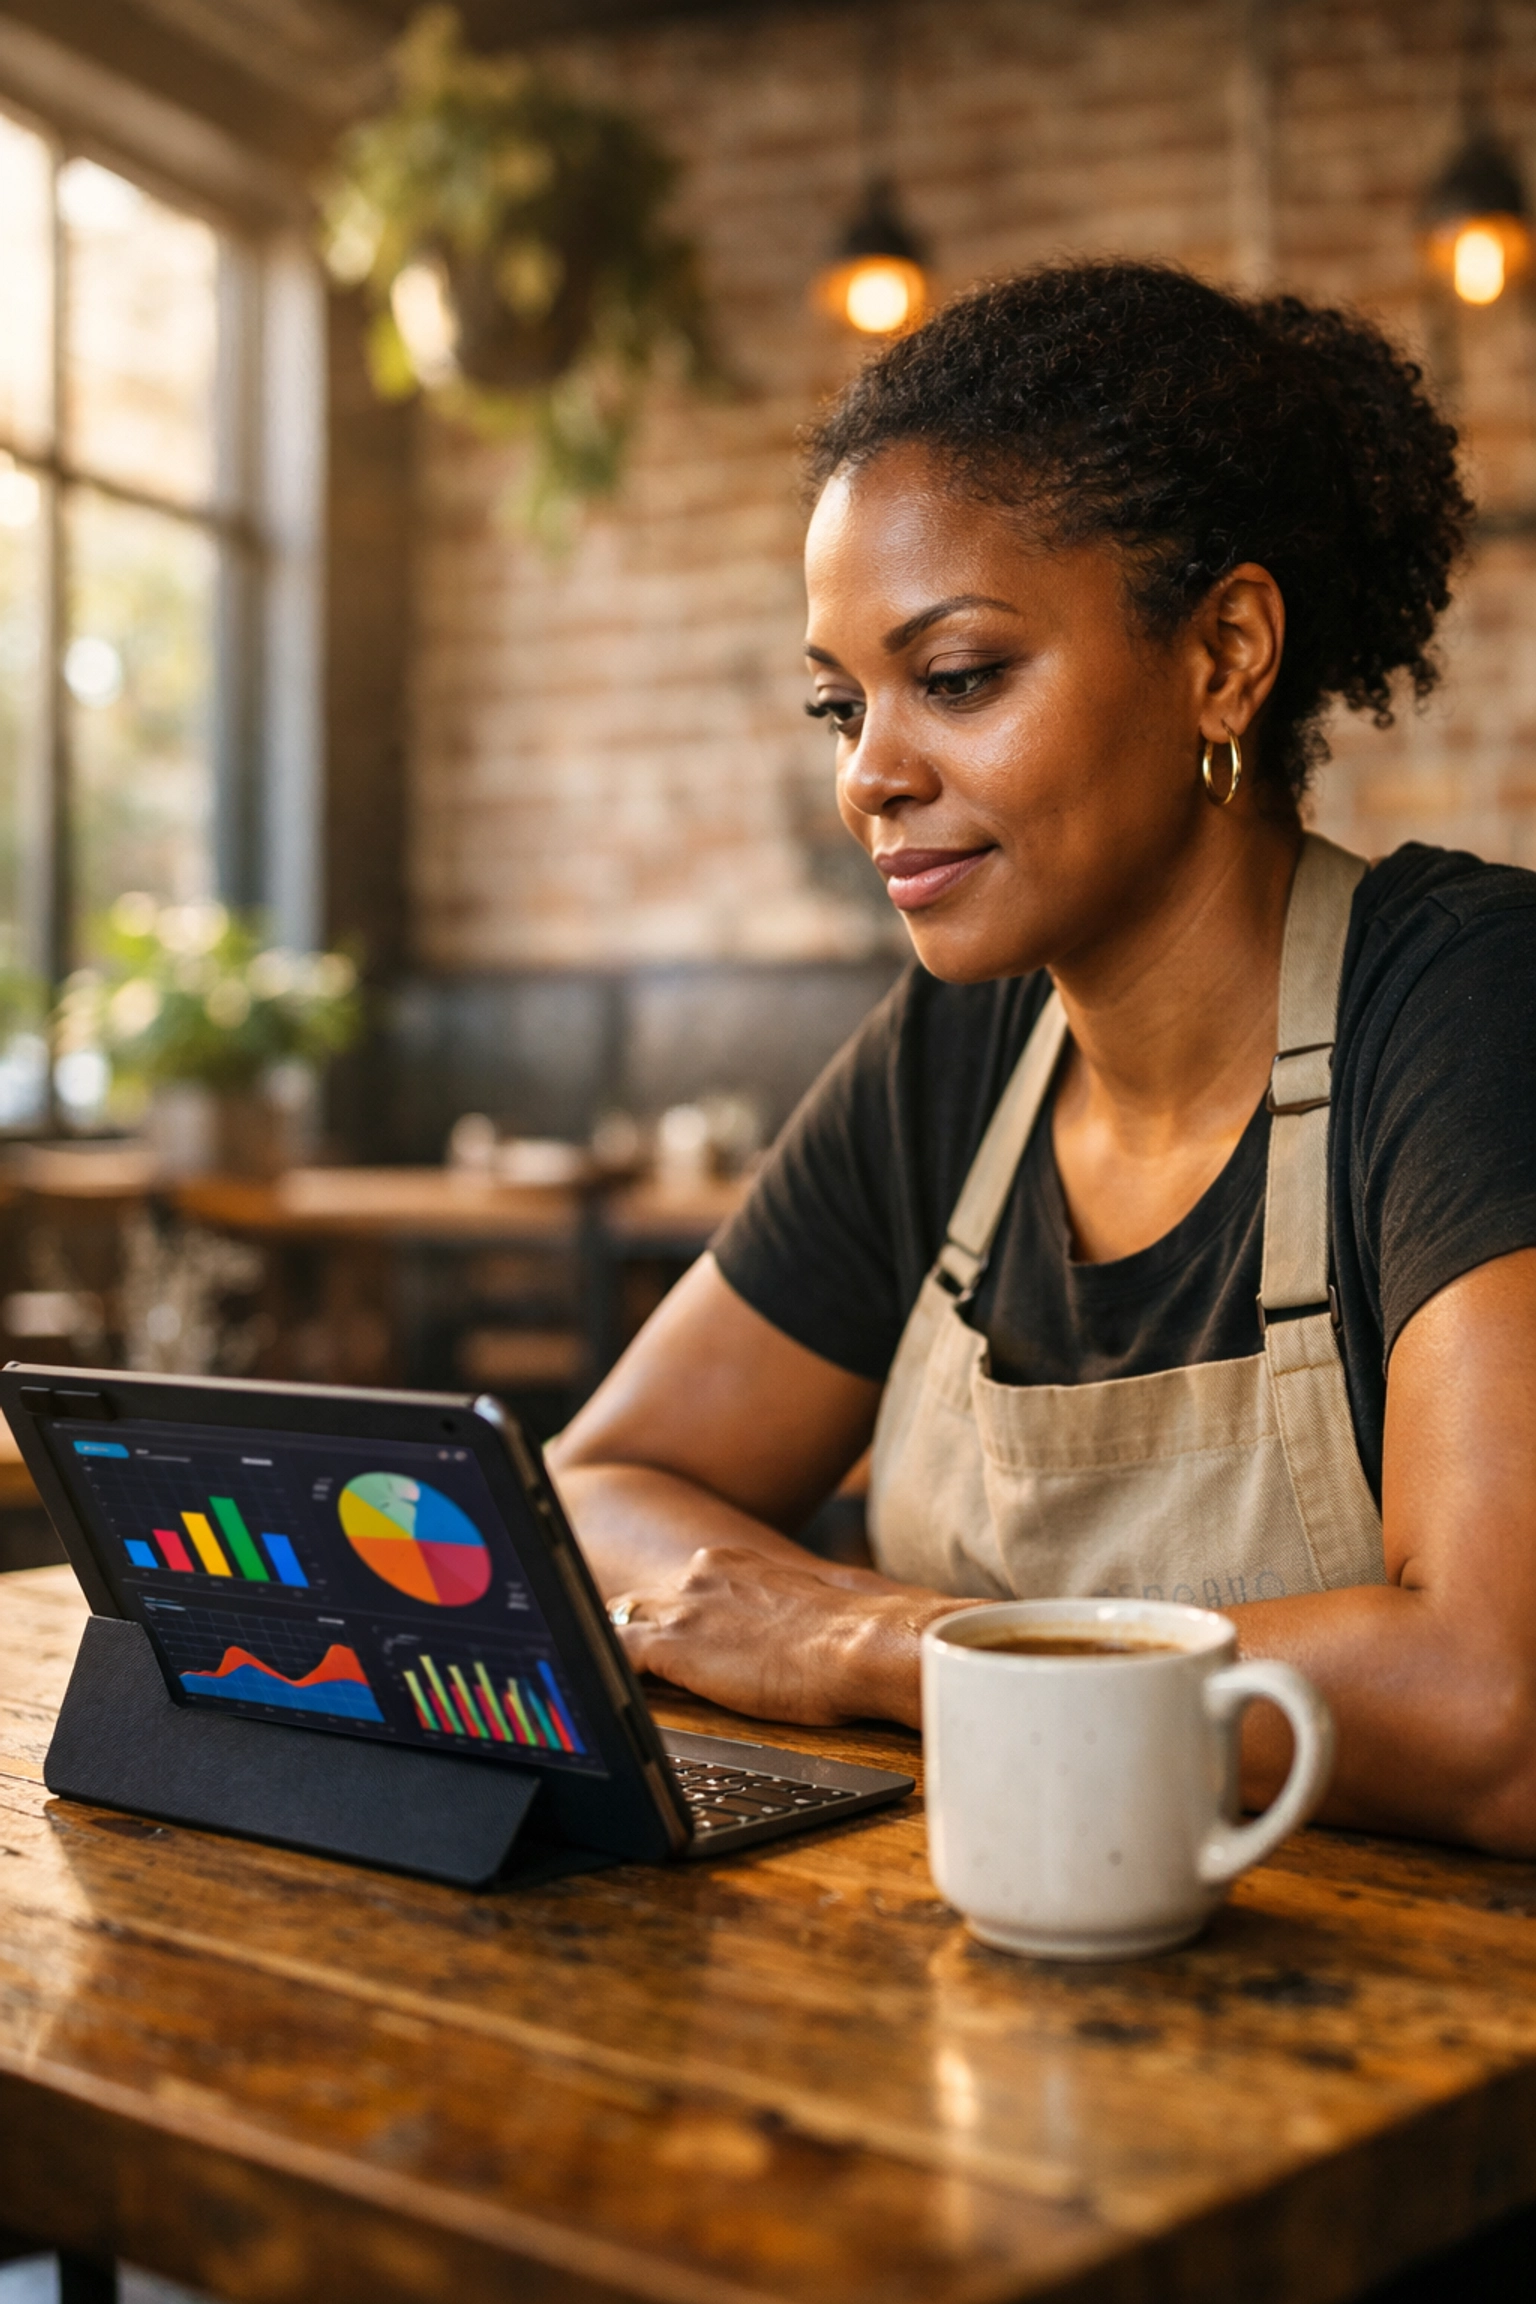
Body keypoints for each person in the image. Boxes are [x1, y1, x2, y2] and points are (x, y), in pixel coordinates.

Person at [549, 260, 1536, 1857]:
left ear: (1222, 654)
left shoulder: (1462, 1001)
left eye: (954, 679)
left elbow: (1497, 1704)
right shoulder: (957, 1054)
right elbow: (597, 1486)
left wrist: (877, 1640)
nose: (870, 776)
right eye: (838, 706)